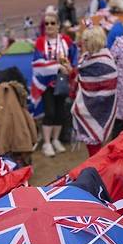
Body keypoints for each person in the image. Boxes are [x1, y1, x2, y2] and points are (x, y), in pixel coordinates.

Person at [30, 11, 77, 157]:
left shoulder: (66, 40)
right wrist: (57, 66)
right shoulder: (40, 42)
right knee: (49, 112)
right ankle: (47, 143)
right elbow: (37, 63)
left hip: (62, 82)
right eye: (47, 23)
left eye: (52, 23)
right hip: (45, 83)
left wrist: (70, 68)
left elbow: (74, 57)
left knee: (60, 112)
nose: (49, 26)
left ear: (58, 25)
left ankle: (56, 140)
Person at [72, 26, 118, 157]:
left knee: (95, 143)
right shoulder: (86, 58)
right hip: (87, 104)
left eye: (85, 40)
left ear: (92, 41)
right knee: (92, 144)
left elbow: (107, 89)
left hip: (99, 107)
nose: (82, 43)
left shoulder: (105, 61)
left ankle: (97, 168)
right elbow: (82, 77)